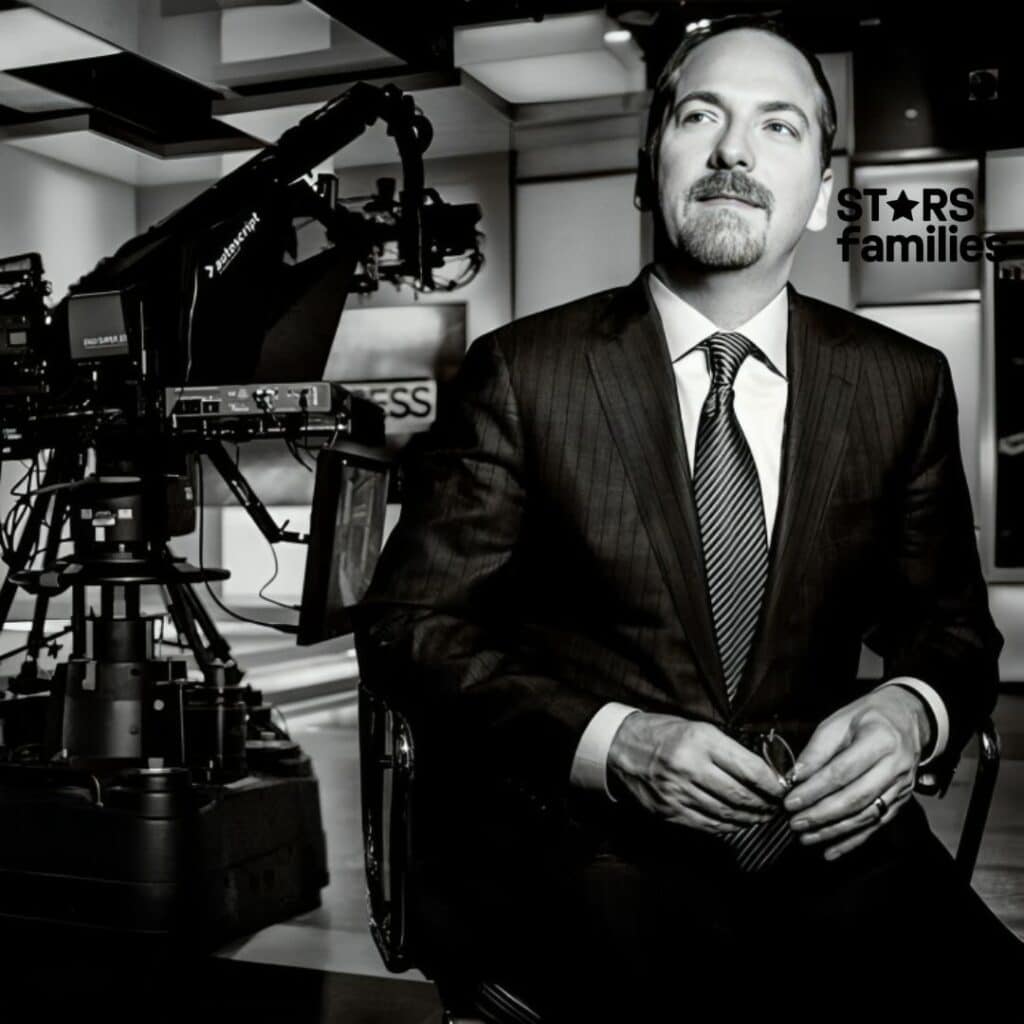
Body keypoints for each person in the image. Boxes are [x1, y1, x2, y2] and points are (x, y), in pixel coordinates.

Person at [355, 14, 1023, 1018]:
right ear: (644, 166)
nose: (733, 152)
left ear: (820, 197)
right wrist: (611, 743)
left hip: (831, 850)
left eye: (779, 127)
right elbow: (411, 628)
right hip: (587, 855)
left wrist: (911, 707)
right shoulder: (525, 374)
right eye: (699, 115)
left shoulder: (901, 384)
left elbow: (951, 626)